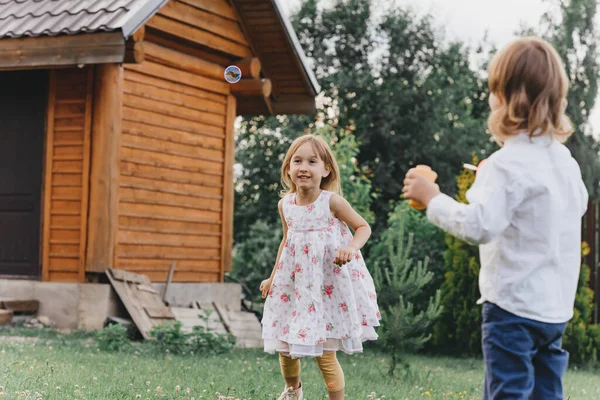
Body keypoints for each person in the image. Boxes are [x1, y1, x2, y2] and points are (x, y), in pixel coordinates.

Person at [402, 37, 588, 400]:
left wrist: (432, 199)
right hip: (553, 311)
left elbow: (478, 226)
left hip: (512, 310)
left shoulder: (505, 166)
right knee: (546, 394)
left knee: (509, 394)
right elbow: (571, 207)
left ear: (506, 98)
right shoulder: (565, 163)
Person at [259, 134, 381, 400]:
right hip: (294, 286)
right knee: (285, 344)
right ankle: (293, 390)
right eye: (297, 160)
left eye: (312, 161)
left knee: (326, 353)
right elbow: (286, 242)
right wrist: (272, 278)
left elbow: (363, 227)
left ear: (325, 169)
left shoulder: (332, 202)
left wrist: (350, 248)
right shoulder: (285, 205)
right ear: (288, 169)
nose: (303, 167)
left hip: (325, 288)